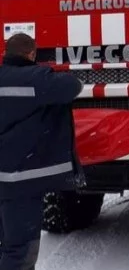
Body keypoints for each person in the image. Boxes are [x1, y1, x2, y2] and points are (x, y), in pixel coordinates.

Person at [0, 33, 83, 269]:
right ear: (32, 54)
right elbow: (73, 86)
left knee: (6, 245)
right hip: (19, 183)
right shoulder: (36, 79)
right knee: (20, 251)